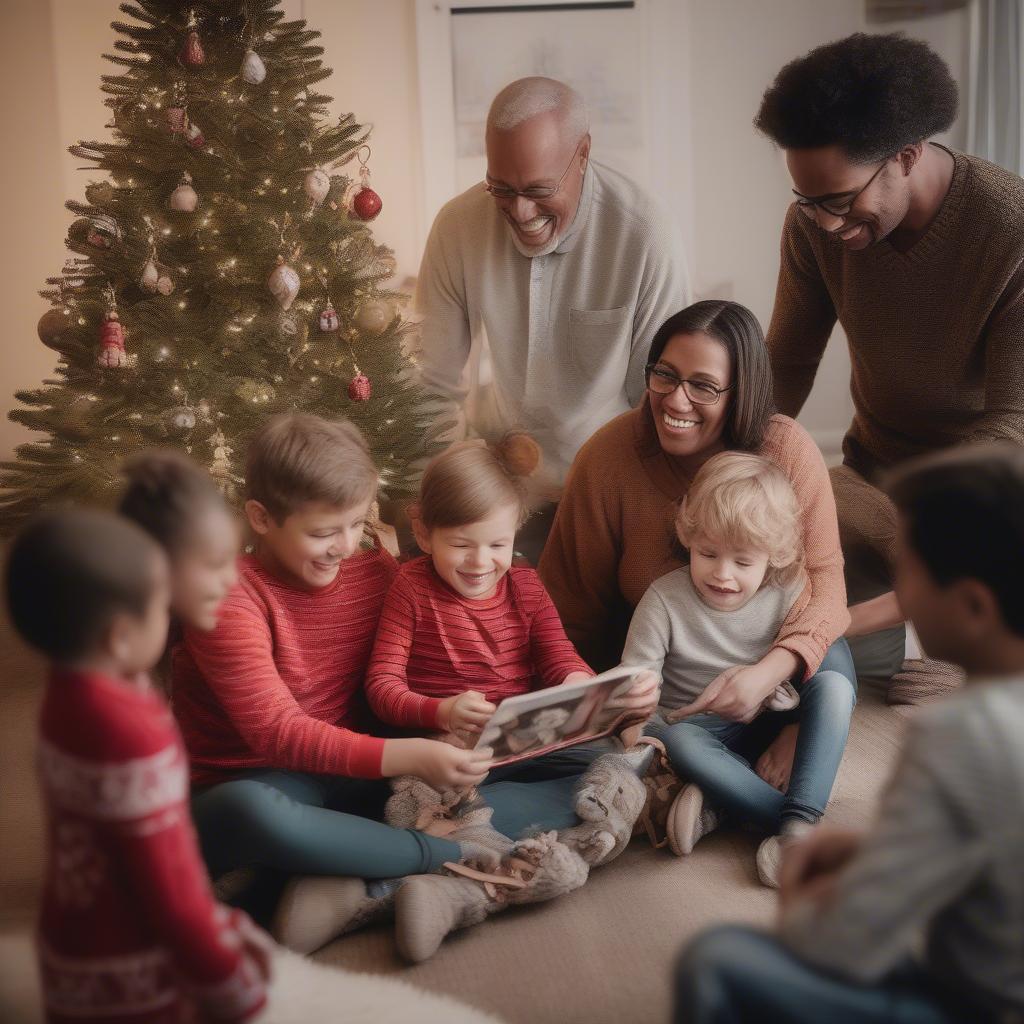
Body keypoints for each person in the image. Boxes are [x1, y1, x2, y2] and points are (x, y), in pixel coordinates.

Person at [170, 413, 588, 958]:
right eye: (323, 532)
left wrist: (458, 730)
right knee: (251, 814)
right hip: (261, 781)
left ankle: (340, 873)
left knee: (581, 766)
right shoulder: (227, 597)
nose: (344, 547)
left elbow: (423, 657)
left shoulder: (375, 573)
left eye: (354, 524)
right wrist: (409, 754)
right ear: (261, 518)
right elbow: (277, 732)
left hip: (361, 781)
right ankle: (440, 857)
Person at [674, 444, 1024, 1024]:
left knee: (714, 958)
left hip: (972, 1004)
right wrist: (862, 851)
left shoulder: (958, 736)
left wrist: (808, 896)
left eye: (909, 578)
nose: (894, 602)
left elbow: (853, 939)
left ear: (972, 605)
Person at [754, 32, 1024, 703]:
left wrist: (929, 548)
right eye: (805, 198)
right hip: (873, 472)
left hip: (988, 491)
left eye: (839, 200)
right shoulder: (812, 226)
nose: (821, 221)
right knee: (769, 541)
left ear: (906, 156)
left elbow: (1014, 423)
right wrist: (737, 452)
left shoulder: (1011, 230)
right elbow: (784, 363)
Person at [539, 299, 854, 813]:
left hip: (775, 677)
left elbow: (826, 584)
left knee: (836, 659)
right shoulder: (608, 458)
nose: (676, 400)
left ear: (740, 392)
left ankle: (796, 746)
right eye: (664, 374)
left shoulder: (787, 450)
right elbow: (566, 610)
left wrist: (767, 675)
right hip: (683, 689)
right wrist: (589, 701)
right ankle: (730, 795)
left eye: (703, 386)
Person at [4, 510, 269, 1023]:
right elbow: (171, 891)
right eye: (159, 606)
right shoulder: (133, 737)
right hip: (137, 972)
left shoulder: (63, 695)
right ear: (121, 636)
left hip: (71, 948)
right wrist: (231, 983)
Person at [415, 76, 689, 557]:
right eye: (500, 188)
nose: (520, 211)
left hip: (606, 494)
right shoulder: (456, 226)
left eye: (539, 189)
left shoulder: (645, 235)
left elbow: (662, 401)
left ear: (582, 154)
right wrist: (447, 499)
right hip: (492, 491)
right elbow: (431, 383)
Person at [624, 451, 851, 886]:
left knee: (836, 678)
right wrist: (637, 725)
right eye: (708, 553)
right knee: (683, 740)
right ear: (688, 536)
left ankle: (789, 818)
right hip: (701, 734)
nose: (722, 574)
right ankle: (789, 824)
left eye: (743, 562)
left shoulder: (790, 591)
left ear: (774, 556)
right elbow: (639, 683)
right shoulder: (663, 600)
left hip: (770, 720)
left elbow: (823, 651)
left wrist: (792, 730)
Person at [367, 435, 658, 751]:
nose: (480, 562)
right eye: (461, 545)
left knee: (600, 751)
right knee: (441, 764)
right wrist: (442, 712)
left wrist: (577, 683)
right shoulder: (410, 588)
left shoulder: (527, 589)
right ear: (424, 534)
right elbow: (383, 687)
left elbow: (558, 654)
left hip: (515, 742)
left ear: (514, 534)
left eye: (498, 545)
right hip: (440, 739)